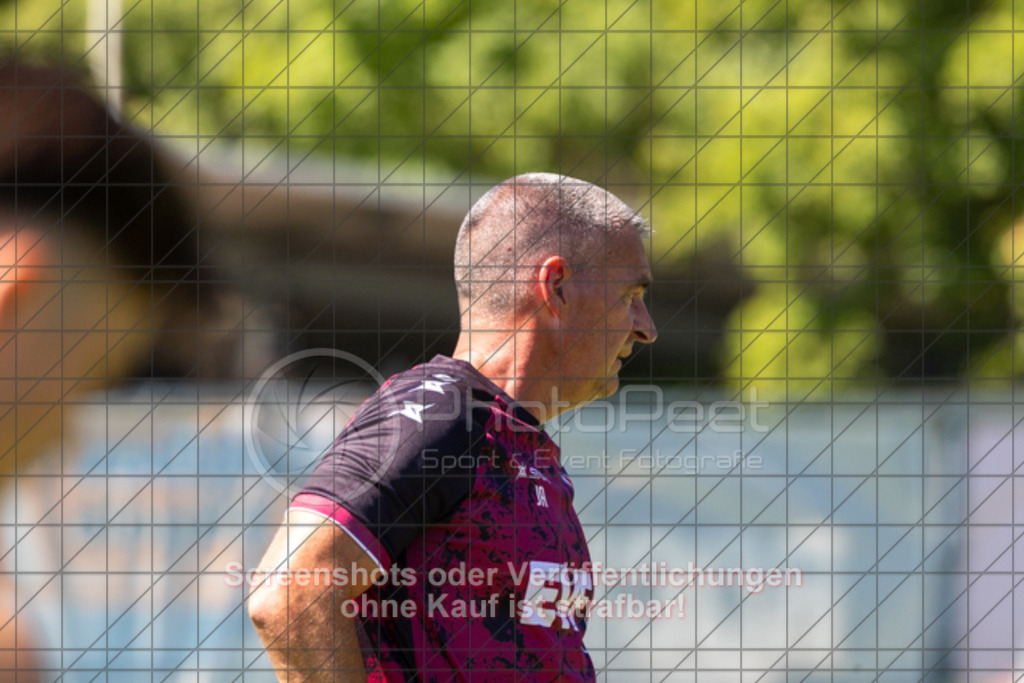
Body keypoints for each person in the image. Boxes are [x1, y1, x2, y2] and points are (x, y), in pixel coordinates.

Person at [248, 173, 658, 681]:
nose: (646, 326)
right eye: (630, 295)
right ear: (556, 287)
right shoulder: (436, 413)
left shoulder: (518, 445)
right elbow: (293, 592)